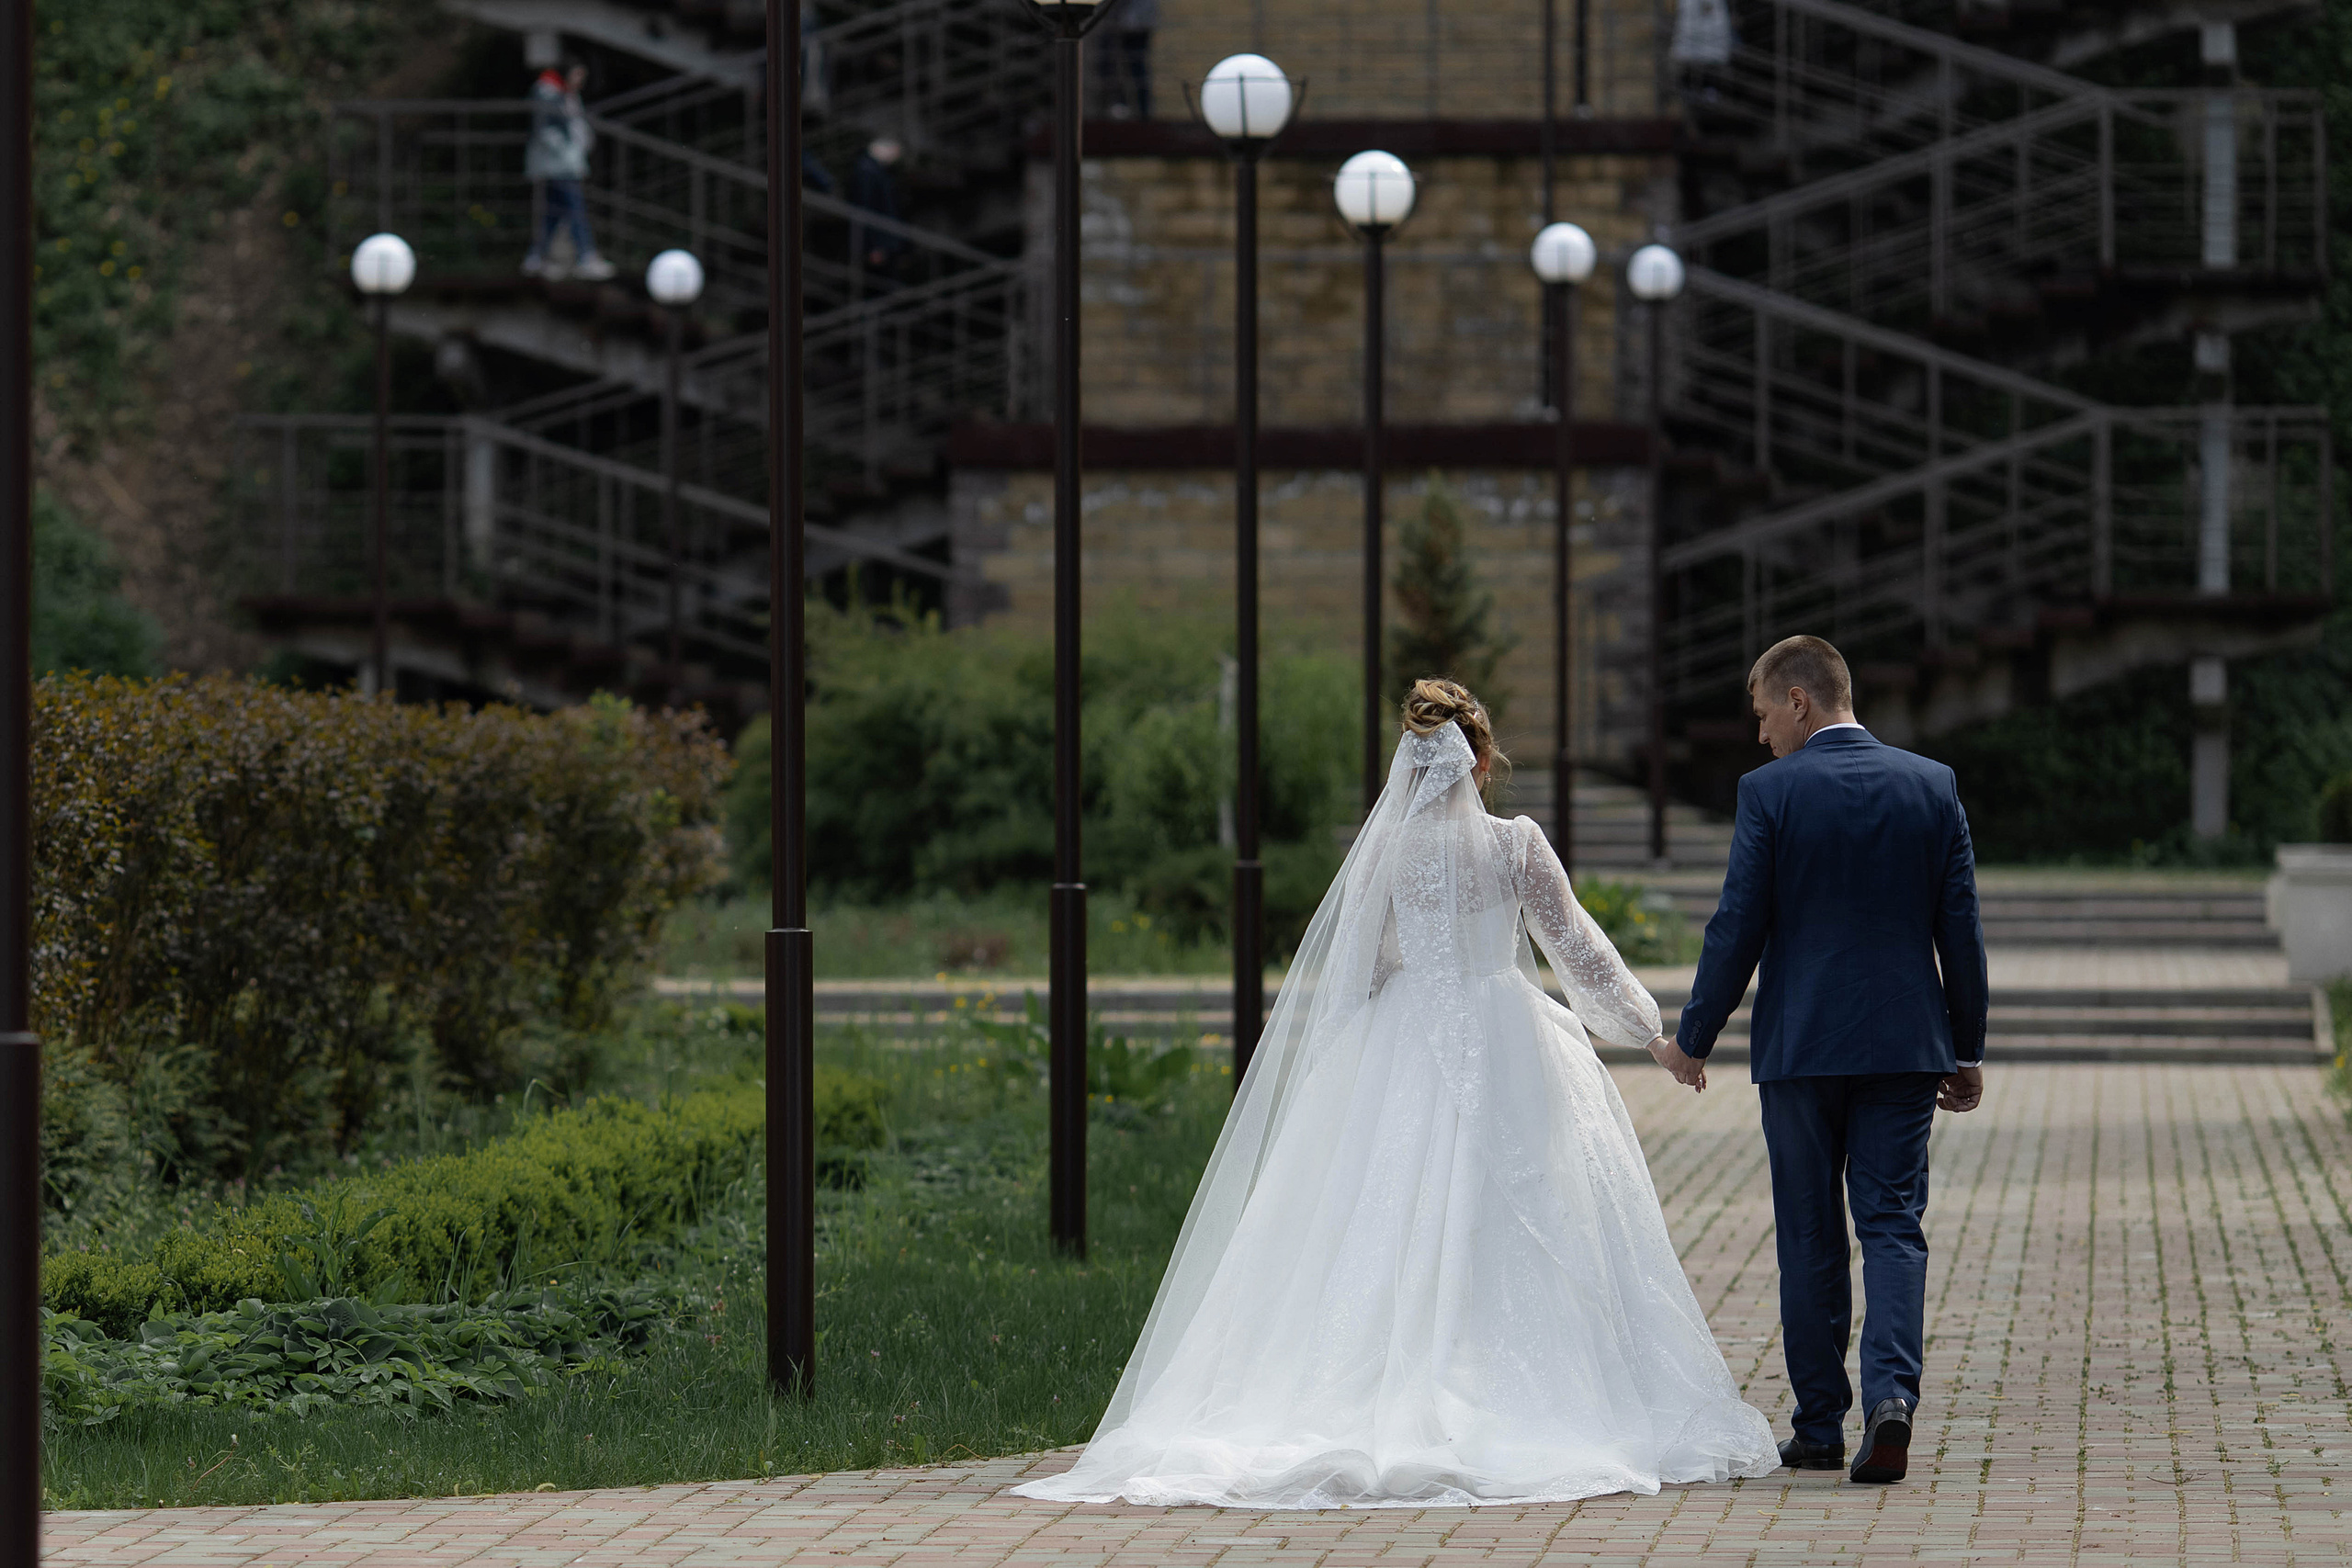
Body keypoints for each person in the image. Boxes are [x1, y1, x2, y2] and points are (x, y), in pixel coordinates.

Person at [1012, 678, 1780, 1508]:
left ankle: (1379, 1379)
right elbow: (1579, 953)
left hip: (1400, 1035)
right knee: (1515, 1205)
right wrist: (1656, 1038)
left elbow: (1363, 963)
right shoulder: (1515, 845)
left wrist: (1362, 1033)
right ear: (1481, 761)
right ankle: (1520, 1382)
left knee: (1380, 1210)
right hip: (1505, 1035)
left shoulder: (1384, 853)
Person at [1659, 634, 1987, 1485]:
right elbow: (1962, 930)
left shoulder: (1770, 792)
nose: (1761, 733)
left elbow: (1738, 925)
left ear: (1800, 701)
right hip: (1906, 1046)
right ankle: (1892, 1401)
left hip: (1801, 1048)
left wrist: (1694, 1039)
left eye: (1765, 713)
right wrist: (1967, 1045)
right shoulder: (1932, 784)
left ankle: (1818, 1426)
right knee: (1891, 1224)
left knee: (1810, 1233)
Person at [521, 59, 616, 282]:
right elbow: (545, 131)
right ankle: (586, 257)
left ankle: (536, 257)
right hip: (557, 165)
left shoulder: (565, 94)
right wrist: (570, 155)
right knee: (575, 209)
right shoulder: (547, 93)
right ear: (566, 73)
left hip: (562, 164)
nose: (580, 82)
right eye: (577, 75)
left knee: (553, 213)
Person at [846, 137, 910, 276]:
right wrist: (873, 246)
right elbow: (865, 209)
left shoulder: (874, 170)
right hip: (880, 241)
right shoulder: (868, 172)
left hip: (885, 239)